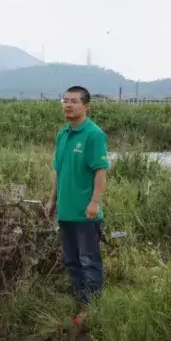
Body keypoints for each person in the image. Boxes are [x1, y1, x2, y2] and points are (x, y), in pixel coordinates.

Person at [44, 86, 109, 320]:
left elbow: (101, 173)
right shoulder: (63, 134)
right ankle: (80, 304)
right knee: (71, 261)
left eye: (74, 101)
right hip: (66, 211)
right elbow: (58, 171)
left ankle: (93, 309)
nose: (68, 105)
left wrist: (94, 202)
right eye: (65, 100)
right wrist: (52, 201)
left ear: (86, 106)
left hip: (86, 213)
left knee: (89, 261)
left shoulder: (94, 135)